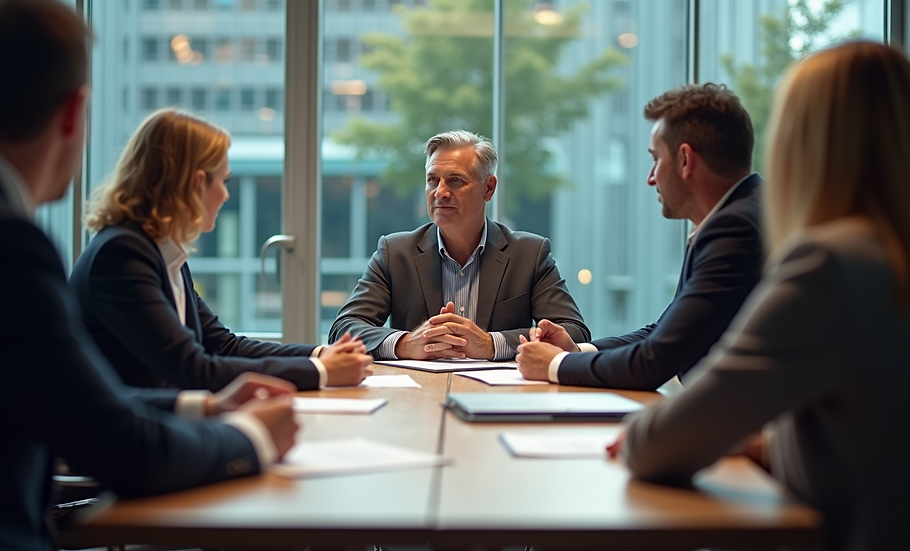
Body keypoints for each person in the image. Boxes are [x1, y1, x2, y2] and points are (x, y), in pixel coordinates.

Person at [0, 1, 298, 549]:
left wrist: (205, 405)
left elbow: (74, 397)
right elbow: (124, 449)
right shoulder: (2, 244)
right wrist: (250, 436)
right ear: (74, 111)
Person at [615, 41, 910, 551]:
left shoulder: (827, 265)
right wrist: (765, 441)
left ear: (807, 142)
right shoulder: (887, 255)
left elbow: (654, 446)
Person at [70, 109, 373, 392]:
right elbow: (193, 369)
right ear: (197, 183)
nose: (227, 194)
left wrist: (321, 353)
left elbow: (223, 345)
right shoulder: (123, 256)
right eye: (224, 181)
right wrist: (320, 371)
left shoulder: (160, 252)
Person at [517, 84, 763, 390]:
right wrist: (575, 351)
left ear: (685, 160)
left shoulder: (735, 229)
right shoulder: (740, 215)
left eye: (656, 159)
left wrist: (553, 364)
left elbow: (653, 361)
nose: (650, 178)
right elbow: (662, 332)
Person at [329, 130, 589, 360]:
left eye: (456, 180)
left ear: (488, 188)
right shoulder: (395, 253)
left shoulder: (530, 254)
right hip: (417, 395)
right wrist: (405, 344)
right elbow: (344, 329)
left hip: (499, 399)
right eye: (432, 180)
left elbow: (574, 333)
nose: (440, 192)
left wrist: (492, 344)